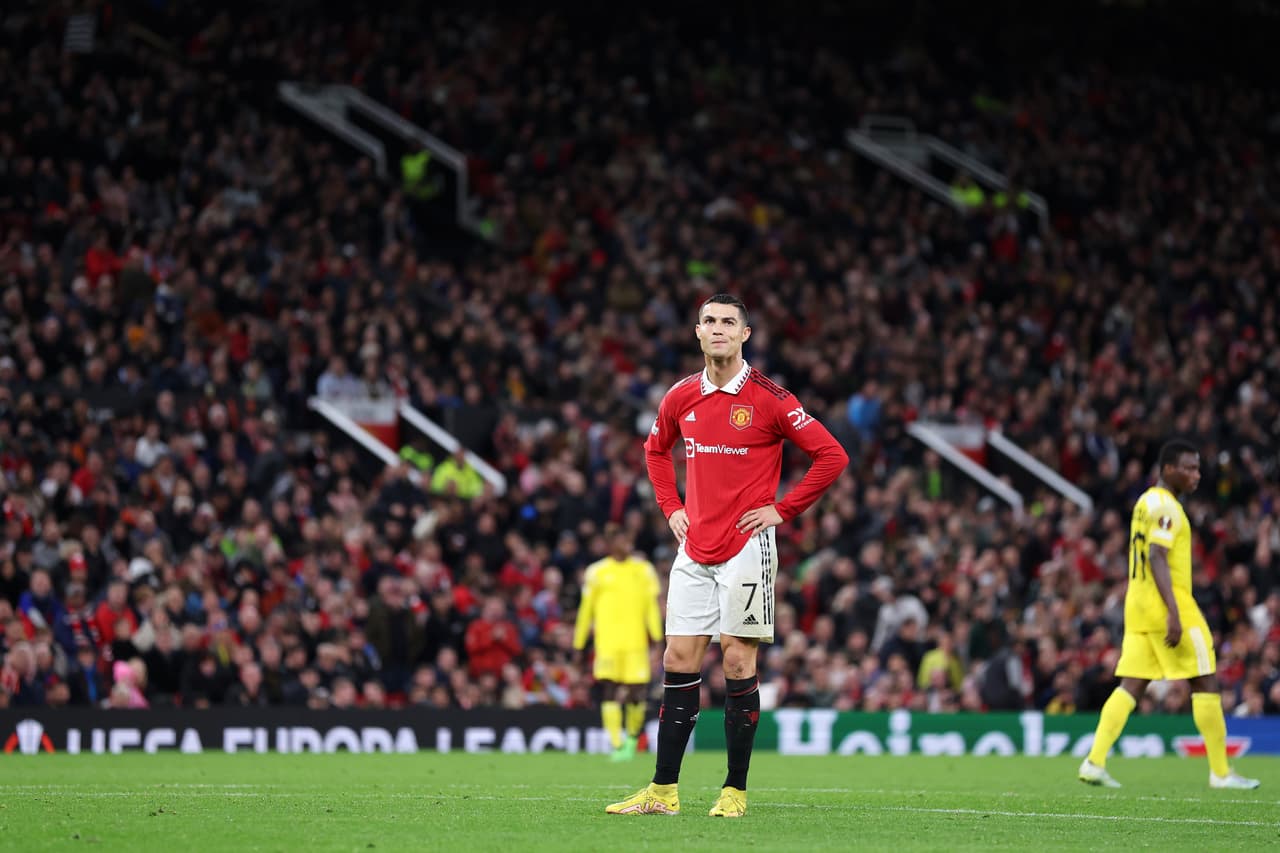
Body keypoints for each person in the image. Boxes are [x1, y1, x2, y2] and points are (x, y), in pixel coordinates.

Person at [607, 293, 848, 817]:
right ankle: (663, 792)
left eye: (728, 322)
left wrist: (783, 510)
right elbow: (655, 450)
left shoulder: (771, 399)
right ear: (697, 331)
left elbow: (832, 455)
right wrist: (671, 506)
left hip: (746, 546)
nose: (718, 329)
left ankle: (734, 791)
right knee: (677, 659)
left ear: (745, 334)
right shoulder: (681, 395)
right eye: (709, 321)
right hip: (695, 546)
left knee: (737, 660)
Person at [1078, 440, 1260, 790]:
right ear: (1167, 469)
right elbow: (1156, 555)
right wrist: (1174, 613)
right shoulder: (1168, 508)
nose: (1196, 474)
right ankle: (1221, 772)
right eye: (1188, 468)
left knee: (1131, 685)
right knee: (1205, 679)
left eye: (1197, 468)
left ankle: (1094, 761)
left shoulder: (1145, 501)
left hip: (1138, 606)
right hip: (1168, 605)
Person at [573, 524, 663, 762]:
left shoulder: (643, 570)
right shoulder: (596, 572)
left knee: (636, 691)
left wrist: (657, 638)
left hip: (636, 644)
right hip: (608, 644)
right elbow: (586, 611)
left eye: (629, 540)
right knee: (609, 689)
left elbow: (651, 607)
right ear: (610, 544)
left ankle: (631, 740)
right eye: (622, 540)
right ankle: (616, 743)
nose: (627, 544)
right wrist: (579, 643)